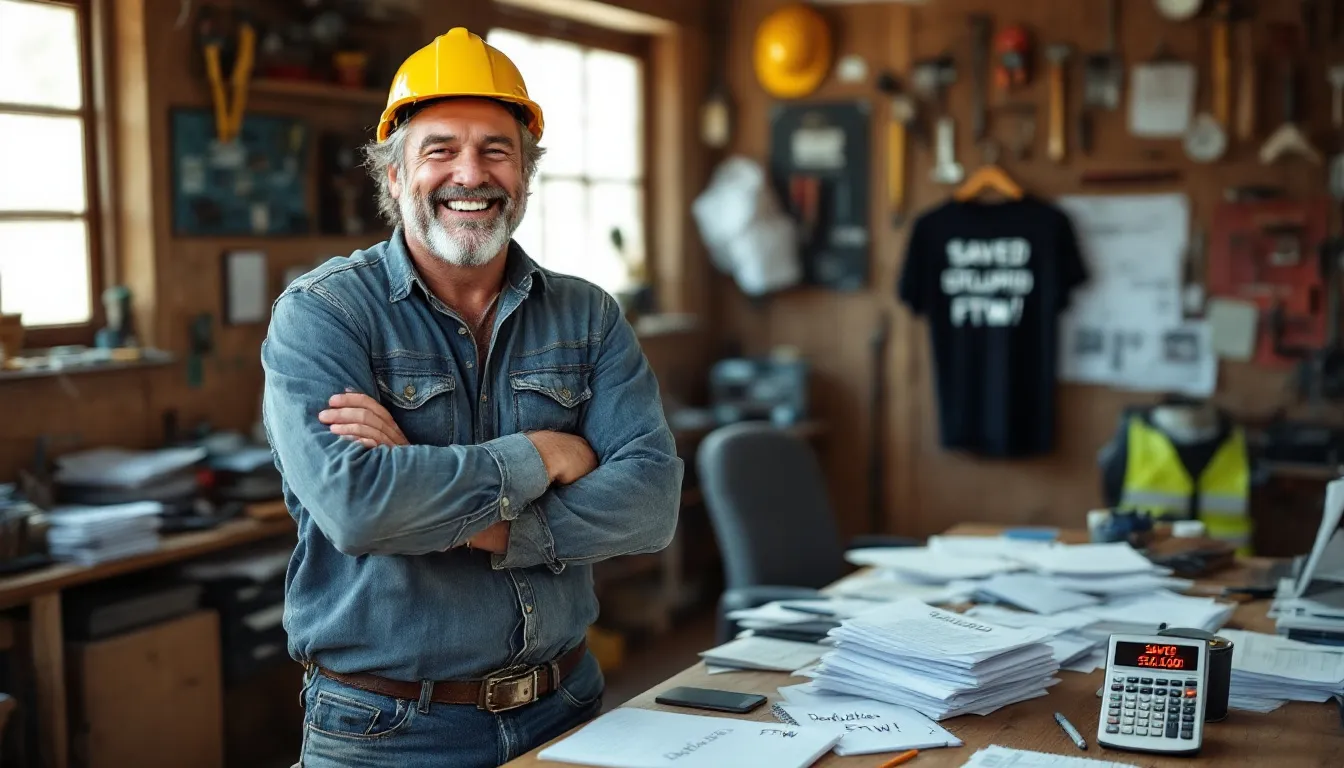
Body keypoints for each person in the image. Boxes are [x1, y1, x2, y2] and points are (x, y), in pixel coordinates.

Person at [260, 27, 684, 767]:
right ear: (393, 177)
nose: (470, 173)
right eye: (440, 149)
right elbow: (359, 508)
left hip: (569, 705)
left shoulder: (588, 316)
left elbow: (650, 504)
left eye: (496, 149)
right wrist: (544, 454)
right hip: (386, 729)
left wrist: (441, 500)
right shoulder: (325, 313)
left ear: (524, 174)